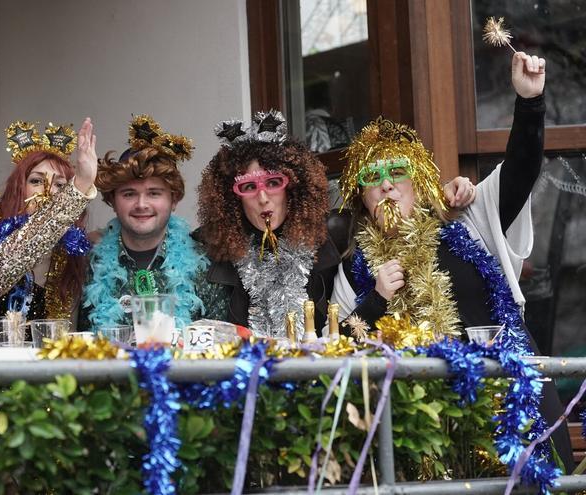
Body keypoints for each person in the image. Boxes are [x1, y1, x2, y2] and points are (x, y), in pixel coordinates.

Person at [330, 52, 573, 471]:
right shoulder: (354, 270)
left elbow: (520, 171)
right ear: (361, 198)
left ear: (420, 181)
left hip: (511, 396)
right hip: (429, 432)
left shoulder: (467, 216)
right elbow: (338, 348)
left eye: (397, 172)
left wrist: (530, 103)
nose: (387, 185)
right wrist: (375, 300)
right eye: (372, 177)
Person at [196, 110, 342, 338]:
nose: (263, 198)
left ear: (293, 186)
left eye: (273, 182)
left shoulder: (330, 240)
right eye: (248, 187)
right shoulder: (212, 253)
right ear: (232, 199)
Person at [80, 115, 227, 332]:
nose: (141, 204)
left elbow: (219, 349)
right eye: (129, 194)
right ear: (112, 201)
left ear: (174, 199)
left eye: (154, 193)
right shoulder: (88, 265)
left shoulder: (205, 265)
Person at [0, 119, 97, 345]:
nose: (48, 192)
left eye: (60, 185)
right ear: (19, 190)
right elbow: (26, 249)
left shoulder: (71, 260)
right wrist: (81, 184)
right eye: (36, 181)